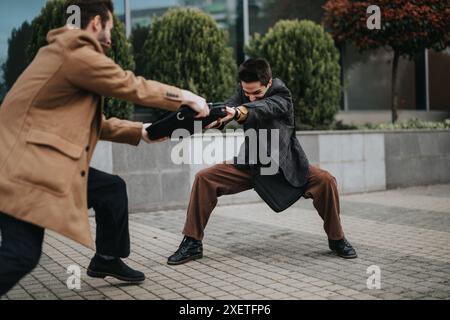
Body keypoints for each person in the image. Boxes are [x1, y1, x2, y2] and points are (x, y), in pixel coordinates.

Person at [0, 0, 209, 296]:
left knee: (110, 189)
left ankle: (107, 258)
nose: (111, 38)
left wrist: (141, 131)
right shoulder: (74, 51)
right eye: (110, 27)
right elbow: (130, 85)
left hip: (36, 163)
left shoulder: (64, 54)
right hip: (24, 169)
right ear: (96, 23)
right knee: (21, 253)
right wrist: (185, 97)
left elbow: (95, 123)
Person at [167, 58, 357, 266]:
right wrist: (216, 117)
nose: (249, 96)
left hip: (284, 165)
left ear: (268, 83)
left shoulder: (282, 94)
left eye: (256, 93)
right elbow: (230, 106)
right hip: (251, 163)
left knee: (326, 180)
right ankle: (192, 242)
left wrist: (239, 112)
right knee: (204, 179)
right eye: (245, 92)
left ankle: (337, 239)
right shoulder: (245, 92)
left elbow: (263, 108)